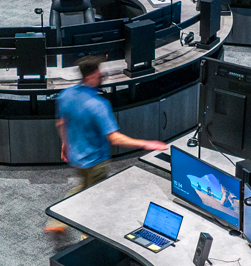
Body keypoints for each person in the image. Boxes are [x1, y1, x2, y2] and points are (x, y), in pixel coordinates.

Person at [45, 56, 168, 232]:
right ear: (92, 75)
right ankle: (86, 239)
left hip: (77, 158)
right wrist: (147, 144)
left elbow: (61, 123)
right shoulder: (98, 105)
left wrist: (65, 144)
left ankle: (57, 220)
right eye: (99, 71)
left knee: (84, 187)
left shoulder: (66, 95)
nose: (102, 74)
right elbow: (115, 138)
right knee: (95, 200)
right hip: (96, 161)